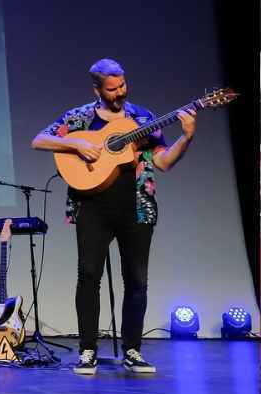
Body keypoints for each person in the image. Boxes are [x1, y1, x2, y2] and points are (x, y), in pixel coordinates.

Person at [31, 58, 196, 375]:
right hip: (91, 207)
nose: (120, 92)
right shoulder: (79, 117)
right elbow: (39, 140)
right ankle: (88, 351)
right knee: (88, 276)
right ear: (97, 88)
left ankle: (133, 350)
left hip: (136, 207)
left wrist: (186, 137)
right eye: (112, 88)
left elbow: (163, 163)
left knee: (136, 281)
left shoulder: (142, 118)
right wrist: (76, 142)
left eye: (122, 85)